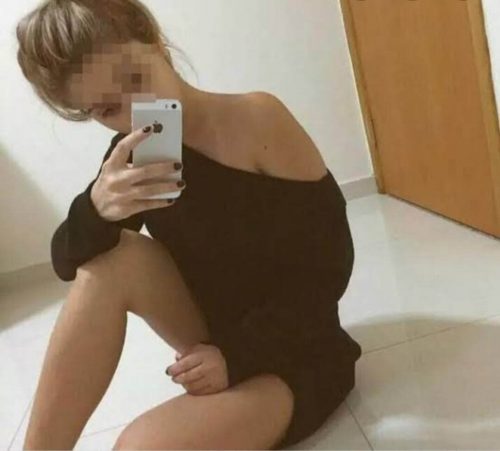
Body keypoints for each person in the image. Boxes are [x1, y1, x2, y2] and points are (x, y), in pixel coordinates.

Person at [16, 0, 362, 449]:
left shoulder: (257, 118)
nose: (135, 109)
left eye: (135, 78)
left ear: (156, 44)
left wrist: (235, 357)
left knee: (138, 447)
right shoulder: (141, 152)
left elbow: (329, 268)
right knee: (111, 257)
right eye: (106, 109)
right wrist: (96, 207)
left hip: (299, 352)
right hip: (214, 339)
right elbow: (68, 263)